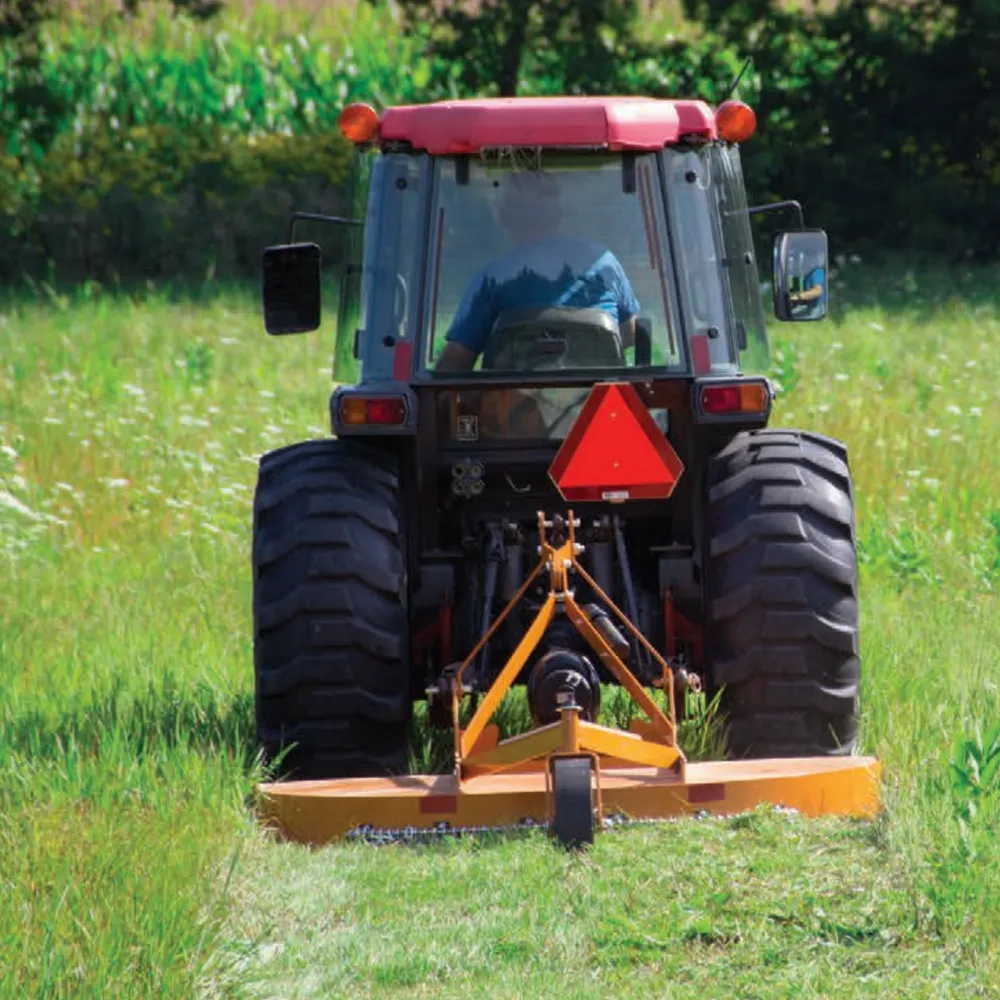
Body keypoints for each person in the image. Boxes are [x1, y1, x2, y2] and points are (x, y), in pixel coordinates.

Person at [434, 170, 641, 372]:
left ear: (504, 218)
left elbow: (454, 363)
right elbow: (631, 333)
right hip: (600, 395)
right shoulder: (604, 263)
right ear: (558, 215)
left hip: (514, 396)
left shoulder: (491, 279)